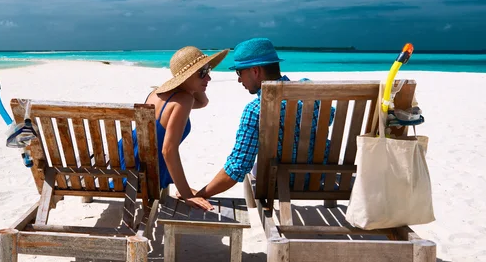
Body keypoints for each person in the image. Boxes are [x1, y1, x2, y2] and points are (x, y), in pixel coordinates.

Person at [195, 38, 333, 198]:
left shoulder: (255, 110)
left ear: (255, 71)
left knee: (253, 169)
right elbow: (329, 117)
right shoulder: (310, 90)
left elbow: (238, 167)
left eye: (239, 72)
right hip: (319, 176)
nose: (239, 79)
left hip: (282, 183)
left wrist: (200, 194)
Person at [120, 46, 228, 211]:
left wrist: (196, 82)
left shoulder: (157, 93)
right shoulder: (183, 100)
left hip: (126, 160)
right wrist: (187, 195)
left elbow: (203, 103)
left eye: (208, 70)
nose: (209, 78)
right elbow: (168, 150)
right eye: (202, 73)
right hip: (142, 173)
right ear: (187, 76)